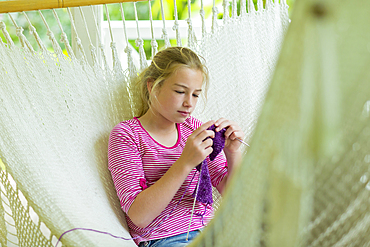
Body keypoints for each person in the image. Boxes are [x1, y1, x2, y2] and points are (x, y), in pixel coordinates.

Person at [108, 47, 244, 247]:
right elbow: (139, 215)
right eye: (180, 91)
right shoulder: (127, 135)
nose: (189, 103)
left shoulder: (196, 129)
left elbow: (233, 193)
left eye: (196, 95)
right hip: (165, 238)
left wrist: (233, 153)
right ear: (152, 86)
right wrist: (185, 163)